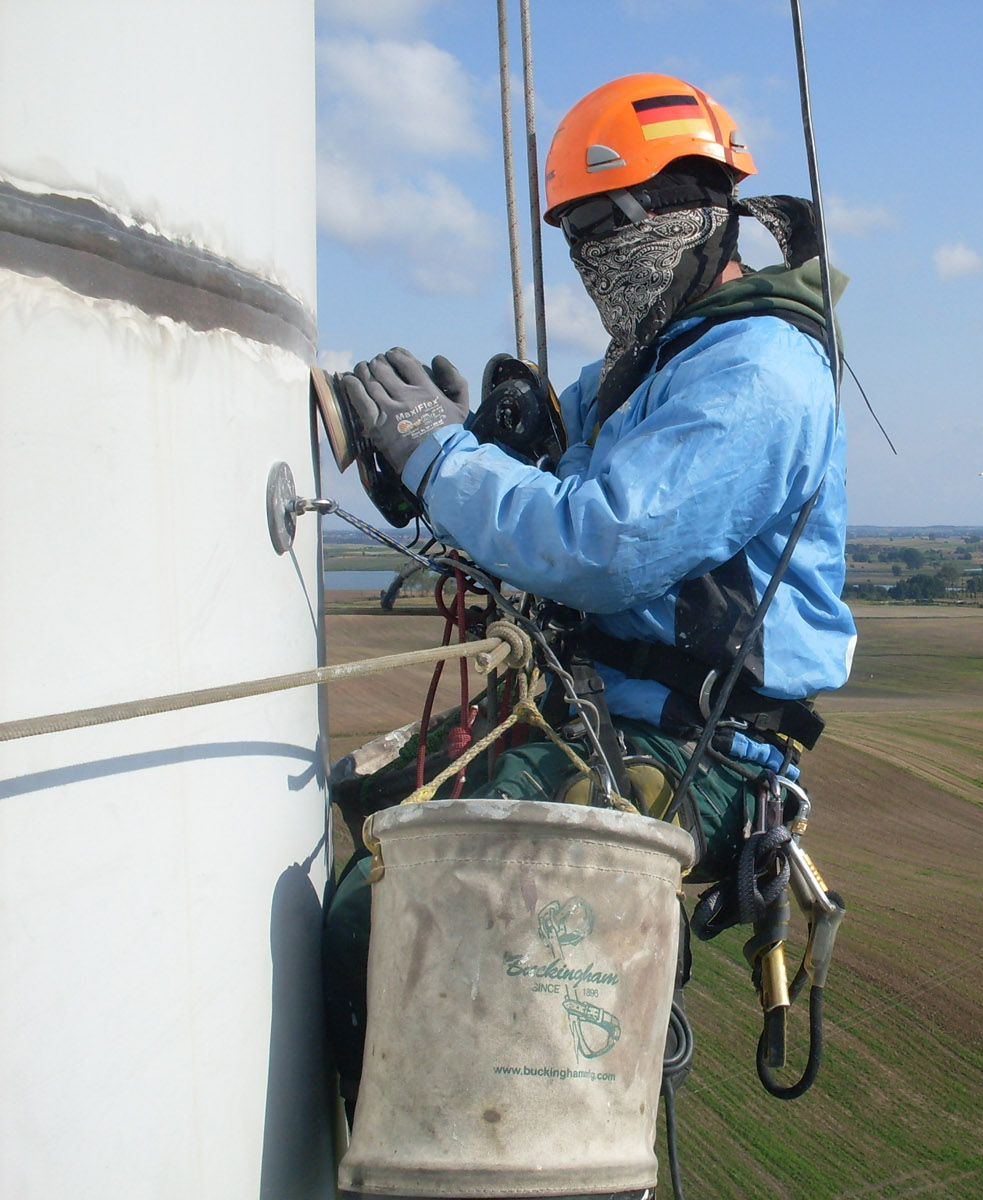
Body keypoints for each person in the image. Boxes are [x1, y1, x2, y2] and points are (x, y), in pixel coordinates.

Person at [324, 73, 854, 1117]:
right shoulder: (644, 369)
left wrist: (436, 459)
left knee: (375, 914)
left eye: (600, 228)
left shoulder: (756, 372)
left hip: (689, 751)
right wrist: (471, 445)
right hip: (605, 723)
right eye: (570, 236)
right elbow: (548, 479)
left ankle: (401, 1163)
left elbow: (602, 545)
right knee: (365, 805)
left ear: (691, 210)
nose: (588, 262)